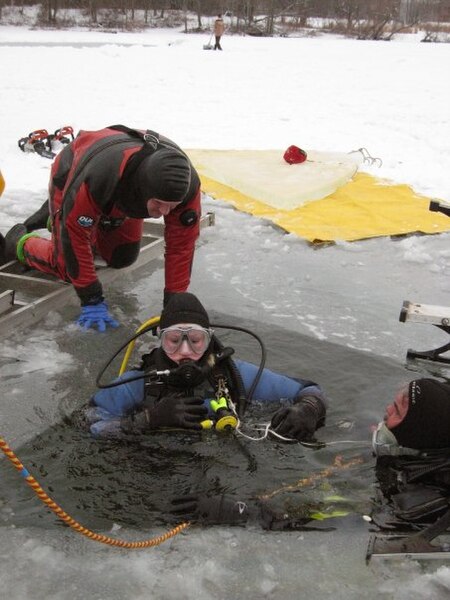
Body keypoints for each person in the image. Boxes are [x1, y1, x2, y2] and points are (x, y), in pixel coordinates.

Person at [0, 125, 202, 332]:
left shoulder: (186, 188)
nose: (165, 213)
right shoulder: (100, 178)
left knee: (121, 257)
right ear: (144, 189)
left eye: (173, 206)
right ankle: (21, 242)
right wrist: (91, 299)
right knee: (67, 266)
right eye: (158, 203)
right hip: (77, 167)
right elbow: (75, 237)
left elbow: (181, 247)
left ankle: (67, 216)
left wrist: (175, 309)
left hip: (120, 188)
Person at [83, 291, 327, 443]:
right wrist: (147, 420)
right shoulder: (137, 384)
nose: (186, 351)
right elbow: (87, 422)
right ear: (161, 340)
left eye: (196, 340)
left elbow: (308, 391)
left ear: (209, 340)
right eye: (174, 340)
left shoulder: (233, 374)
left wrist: (308, 409)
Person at [369, 377, 450, 552]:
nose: (387, 411)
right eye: (393, 404)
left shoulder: (428, 493)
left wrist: (425, 537)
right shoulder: (409, 457)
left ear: (419, 432)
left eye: (397, 412)